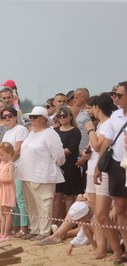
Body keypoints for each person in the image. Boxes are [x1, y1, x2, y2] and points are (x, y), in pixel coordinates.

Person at [81, 94, 121, 260]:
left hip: (103, 170)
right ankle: (101, 248)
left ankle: (116, 250)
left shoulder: (106, 124)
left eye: (91, 107)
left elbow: (98, 146)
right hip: (92, 169)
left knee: (101, 214)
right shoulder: (102, 125)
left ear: (98, 107)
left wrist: (90, 129)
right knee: (97, 214)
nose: (90, 111)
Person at [17, 106, 65, 241]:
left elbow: (59, 156)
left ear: (44, 119)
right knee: (31, 205)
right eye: (31, 117)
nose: (32, 119)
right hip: (26, 174)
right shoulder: (32, 133)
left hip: (43, 175)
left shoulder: (50, 134)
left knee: (44, 204)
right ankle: (35, 229)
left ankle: (44, 231)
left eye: (35, 117)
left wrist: (49, 167)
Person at [94, 81, 127, 263]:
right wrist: (99, 166)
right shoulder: (115, 116)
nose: (115, 98)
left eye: (119, 95)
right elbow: (106, 143)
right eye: (115, 95)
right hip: (116, 165)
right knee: (120, 208)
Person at [1, 107, 29, 238]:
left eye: (9, 115)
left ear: (15, 116)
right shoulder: (7, 133)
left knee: (20, 198)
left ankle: (24, 227)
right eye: (4, 116)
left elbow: (17, 151)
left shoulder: (21, 129)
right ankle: (16, 226)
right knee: (13, 200)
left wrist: (7, 165)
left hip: (18, 167)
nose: (7, 118)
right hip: (9, 168)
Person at [53, 106, 82, 223]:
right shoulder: (55, 131)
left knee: (69, 195)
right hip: (56, 166)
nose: (62, 118)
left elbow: (71, 149)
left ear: (70, 116)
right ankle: (54, 223)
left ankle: (68, 223)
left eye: (65, 115)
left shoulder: (75, 131)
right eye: (60, 116)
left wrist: (56, 151)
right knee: (56, 196)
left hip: (70, 166)